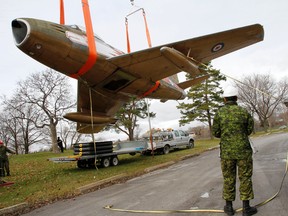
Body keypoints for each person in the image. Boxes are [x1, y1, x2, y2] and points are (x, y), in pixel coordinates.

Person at [212, 86, 257, 216]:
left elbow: (216, 132)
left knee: (228, 178)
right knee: (245, 178)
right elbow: (249, 130)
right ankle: (246, 208)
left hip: (227, 153)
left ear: (224, 99)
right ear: (236, 98)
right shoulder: (244, 111)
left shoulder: (219, 113)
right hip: (244, 152)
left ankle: (229, 207)